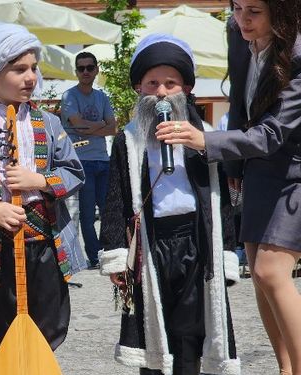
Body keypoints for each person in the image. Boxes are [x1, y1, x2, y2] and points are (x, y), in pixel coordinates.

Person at [156, 2, 301, 374]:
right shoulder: (238, 36)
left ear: (282, 11)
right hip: (256, 168)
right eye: (237, 8)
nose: (243, 19)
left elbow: (273, 134)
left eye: (255, 10)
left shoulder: (299, 54)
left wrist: (206, 141)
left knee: (270, 272)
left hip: (294, 171)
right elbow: (239, 99)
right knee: (260, 278)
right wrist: (235, 165)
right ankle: (286, 368)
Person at [99, 34, 241, 375]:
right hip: (151, 244)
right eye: (152, 83)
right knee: (152, 329)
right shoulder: (129, 140)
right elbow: (115, 197)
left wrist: (227, 255)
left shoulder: (204, 135)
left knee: (191, 328)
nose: (161, 92)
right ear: (138, 88)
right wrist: (117, 255)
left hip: (195, 241)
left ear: (187, 88)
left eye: (170, 83)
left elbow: (220, 199)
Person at [0, 21, 86, 374]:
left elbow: (74, 173)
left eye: (33, 68)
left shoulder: (49, 123)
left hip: (44, 244)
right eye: (19, 69)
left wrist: (39, 179)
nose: (30, 77)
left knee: (44, 329)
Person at [61, 51, 117, 269]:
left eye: (89, 67)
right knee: (87, 214)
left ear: (96, 70)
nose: (85, 72)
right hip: (81, 161)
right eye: (81, 68)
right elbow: (77, 125)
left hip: (103, 160)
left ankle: (110, 252)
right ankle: (94, 256)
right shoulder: (69, 96)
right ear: (76, 71)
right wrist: (101, 127)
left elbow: (113, 128)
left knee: (108, 211)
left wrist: (88, 128)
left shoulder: (102, 96)